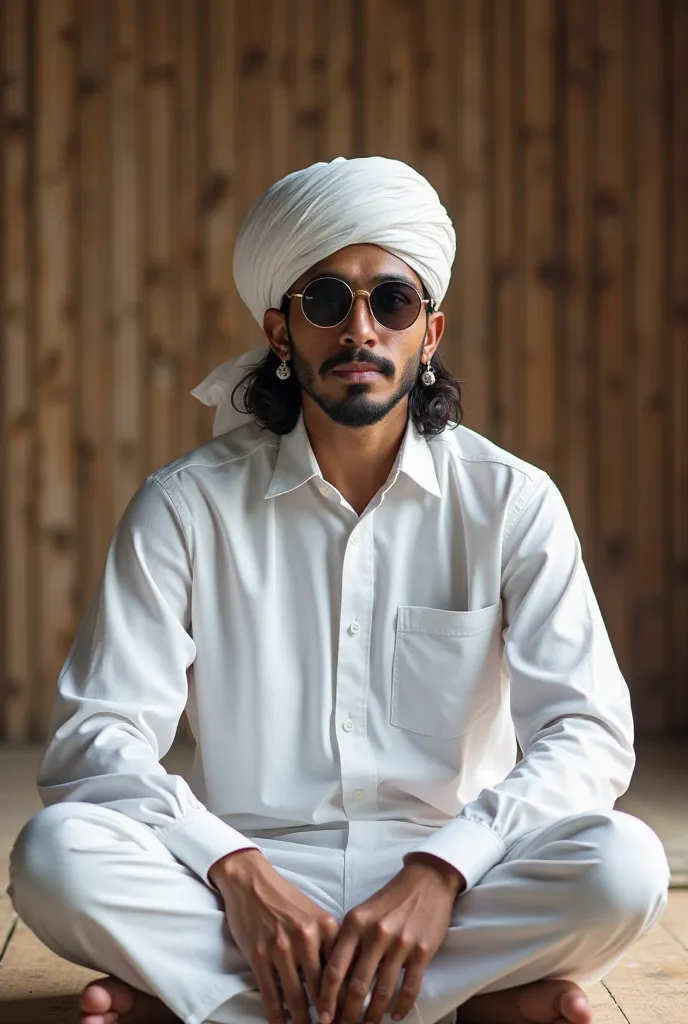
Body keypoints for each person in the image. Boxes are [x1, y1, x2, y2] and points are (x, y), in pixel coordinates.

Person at [7, 156, 670, 1024]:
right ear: (282, 334)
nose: (360, 329)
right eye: (326, 302)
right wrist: (233, 870)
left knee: (624, 868)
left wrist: (444, 870)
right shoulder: (185, 506)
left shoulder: (511, 501)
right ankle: (466, 1005)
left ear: (428, 335)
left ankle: (205, 1000)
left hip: (456, 881)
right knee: (56, 855)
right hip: (244, 882)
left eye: (391, 302)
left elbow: (586, 733)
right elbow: (98, 736)